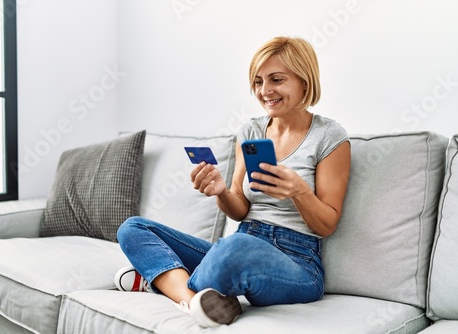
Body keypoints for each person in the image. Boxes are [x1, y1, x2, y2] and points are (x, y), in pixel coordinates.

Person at [115, 36, 351, 328]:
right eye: (257, 82)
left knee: (234, 248)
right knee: (133, 228)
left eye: (276, 79)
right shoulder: (251, 130)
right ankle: (195, 301)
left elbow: (327, 224)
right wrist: (220, 192)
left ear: (305, 80)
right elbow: (239, 208)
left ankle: (161, 280)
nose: (265, 91)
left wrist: (299, 191)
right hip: (241, 241)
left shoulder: (329, 136)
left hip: (298, 262)